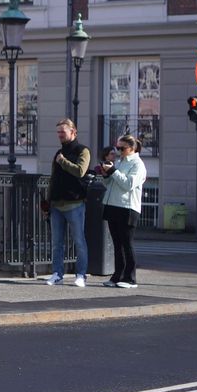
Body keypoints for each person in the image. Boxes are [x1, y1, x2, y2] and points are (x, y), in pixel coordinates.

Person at [44, 118, 90, 287]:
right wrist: (47, 202)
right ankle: (57, 273)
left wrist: (62, 161)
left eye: (62, 132)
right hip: (57, 204)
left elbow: (80, 171)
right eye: (58, 132)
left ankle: (81, 274)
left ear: (73, 132)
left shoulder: (83, 151)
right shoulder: (58, 152)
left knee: (79, 241)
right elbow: (53, 179)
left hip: (75, 203)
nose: (60, 135)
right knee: (57, 242)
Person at [100, 134, 147, 288]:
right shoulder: (120, 162)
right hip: (113, 205)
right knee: (117, 244)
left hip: (128, 207)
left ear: (132, 148)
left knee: (127, 243)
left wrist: (113, 171)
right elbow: (111, 183)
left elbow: (128, 184)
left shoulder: (137, 164)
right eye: (118, 148)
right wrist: (106, 174)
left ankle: (130, 278)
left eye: (122, 148)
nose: (119, 151)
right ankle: (117, 276)